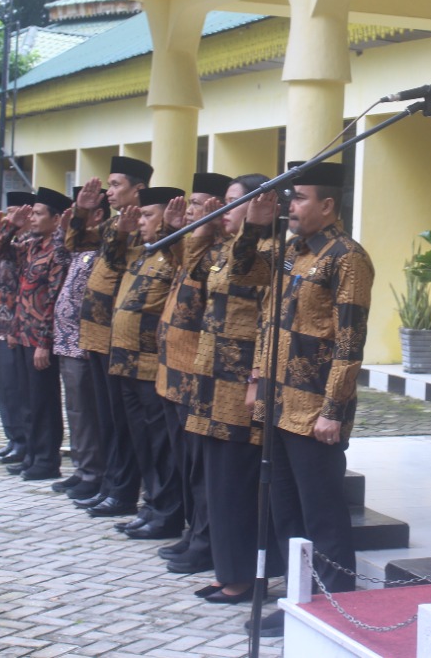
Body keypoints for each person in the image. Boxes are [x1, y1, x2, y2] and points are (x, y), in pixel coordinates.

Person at [237, 161, 374, 635]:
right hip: (278, 401)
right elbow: (266, 317)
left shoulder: (347, 258)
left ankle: (335, 602)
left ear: (328, 205)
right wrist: (256, 378)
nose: (290, 207)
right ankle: (300, 597)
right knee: (286, 509)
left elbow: (349, 342)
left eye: (298, 198)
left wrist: (334, 410)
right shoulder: (290, 252)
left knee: (323, 512)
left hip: (315, 408)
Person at [186, 173, 275, 604]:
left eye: (232, 202)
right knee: (216, 483)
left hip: (240, 386)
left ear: (259, 206)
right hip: (210, 382)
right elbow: (193, 270)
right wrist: (203, 228)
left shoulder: (269, 252)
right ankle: (226, 571)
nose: (223, 209)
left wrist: (258, 377)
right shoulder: (224, 249)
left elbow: (265, 322)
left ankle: (242, 578)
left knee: (236, 485)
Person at [152, 172, 233, 575]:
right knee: (184, 463)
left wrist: (200, 228)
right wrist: (175, 228)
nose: (192, 211)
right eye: (193, 204)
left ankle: (203, 541)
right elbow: (173, 259)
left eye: (201, 205)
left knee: (201, 467)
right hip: (172, 370)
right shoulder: (193, 244)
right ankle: (191, 532)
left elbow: (198, 271)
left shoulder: (221, 251)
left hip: (196, 377)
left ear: (221, 210)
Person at [66, 156, 152, 518]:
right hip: (97, 335)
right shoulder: (116, 222)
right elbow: (75, 244)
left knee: (121, 421)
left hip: (120, 339)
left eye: (117, 185)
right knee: (106, 418)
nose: (109, 192)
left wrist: (119, 232)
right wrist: (83, 212)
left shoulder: (143, 228)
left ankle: (123, 491)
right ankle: (109, 485)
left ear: (139, 190)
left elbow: (118, 266)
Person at [107, 185, 186, 539]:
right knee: (142, 442)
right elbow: (111, 264)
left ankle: (167, 512)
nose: (140, 221)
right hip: (125, 362)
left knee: (161, 444)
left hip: (151, 365)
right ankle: (151, 504)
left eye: (147, 215)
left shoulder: (171, 255)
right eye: (140, 215)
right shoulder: (142, 253)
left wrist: (174, 229)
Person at [0, 188, 73, 481]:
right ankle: (31, 455)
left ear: (56, 219)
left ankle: (46, 459)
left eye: (39, 213)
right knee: (27, 400)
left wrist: (44, 343)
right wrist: (11, 226)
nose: (33, 218)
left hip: (42, 337)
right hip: (23, 333)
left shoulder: (58, 250)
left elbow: (53, 298)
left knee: (44, 401)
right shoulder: (31, 245)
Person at [51, 188, 108, 501]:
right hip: (66, 340)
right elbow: (61, 256)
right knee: (75, 409)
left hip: (83, 343)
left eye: (81, 212)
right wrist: (65, 228)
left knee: (87, 412)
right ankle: (82, 466)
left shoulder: (101, 244)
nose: (74, 218)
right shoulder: (80, 246)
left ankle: (93, 471)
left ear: (98, 215)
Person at [0, 192, 37, 462]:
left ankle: (24, 440)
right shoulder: (9, 238)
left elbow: (1, 252)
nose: (11, 217)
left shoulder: (29, 241)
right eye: (9, 212)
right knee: (4, 384)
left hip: (17, 322)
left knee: (17, 385)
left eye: (18, 213)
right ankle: (12, 436)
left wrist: (7, 230)